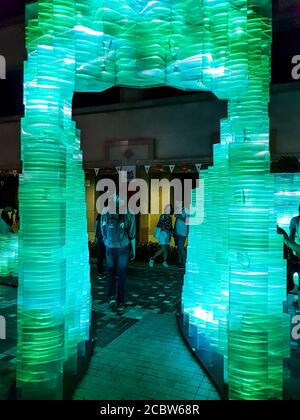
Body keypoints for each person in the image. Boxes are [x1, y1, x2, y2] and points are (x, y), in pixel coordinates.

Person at [101, 195, 136, 312]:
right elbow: (132, 233)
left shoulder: (105, 211)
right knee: (122, 274)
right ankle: (120, 302)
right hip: (123, 247)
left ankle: (111, 297)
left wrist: (107, 242)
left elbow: (102, 231)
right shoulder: (128, 212)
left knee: (110, 272)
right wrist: (134, 250)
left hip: (109, 247)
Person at [149, 204, 173, 268]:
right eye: (167, 208)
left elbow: (170, 227)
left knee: (166, 249)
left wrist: (171, 233)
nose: (169, 209)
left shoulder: (170, 217)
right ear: (165, 209)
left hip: (168, 234)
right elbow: (161, 226)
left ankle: (164, 261)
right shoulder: (163, 216)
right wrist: (168, 232)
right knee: (163, 248)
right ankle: (152, 259)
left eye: (170, 208)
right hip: (163, 234)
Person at [174, 202, 189, 268]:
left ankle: (184, 262)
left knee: (181, 247)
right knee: (179, 248)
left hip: (183, 232)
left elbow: (187, 220)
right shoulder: (179, 211)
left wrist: (179, 217)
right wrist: (174, 230)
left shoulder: (186, 210)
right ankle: (179, 262)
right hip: (177, 232)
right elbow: (176, 222)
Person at [95, 213, 106, 278]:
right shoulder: (110, 213)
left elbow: (96, 225)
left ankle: (100, 272)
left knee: (100, 255)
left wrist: (96, 236)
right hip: (106, 238)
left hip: (100, 237)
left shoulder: (100, 213)